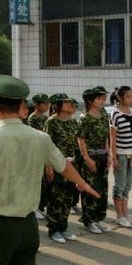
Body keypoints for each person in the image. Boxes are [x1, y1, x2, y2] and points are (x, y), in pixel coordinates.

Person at [0, 75, 99, 265]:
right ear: (21, 108)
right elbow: (64, 165)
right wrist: (83, 183)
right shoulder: (41, 138)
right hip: (28, 226)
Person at [44, 93, 79, 244]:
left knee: (68, 199)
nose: (71, 105)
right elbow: (46, 145)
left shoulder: (73, 123)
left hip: (70, 166)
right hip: (56, 165)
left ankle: (63, 227)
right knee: (55, 199)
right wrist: (48, 166)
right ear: (58, 105)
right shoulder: (51, 122)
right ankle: (54, 229)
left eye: (71, 103)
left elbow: (75, 145)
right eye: (67, 103)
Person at [77, 86, 112, 234]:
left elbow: (106, 135)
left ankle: (98, 218)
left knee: (102, 188)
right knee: (91, 188)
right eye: (100, 98)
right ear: (90, 101)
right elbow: (81, 139)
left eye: (104, 98)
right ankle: (88, 220)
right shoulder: (85, 118)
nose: (103, 100)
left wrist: (109, 153)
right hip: (90, 156)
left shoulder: (104, 113)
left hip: (103, 155)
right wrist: (87, 158)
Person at [109, 85, 132, 227]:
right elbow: (112, 138)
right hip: (121, 155)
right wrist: (114, 157)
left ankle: (125, 214)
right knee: (120, 185)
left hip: (131, 154)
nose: (131, 98)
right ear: (120, 97)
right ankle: (119, 215)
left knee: (128, 185)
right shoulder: (115, 114)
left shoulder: (131, 112)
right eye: (128, 96)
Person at [28, 93, 50, 220]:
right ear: (36, 104)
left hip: (44, 152)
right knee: (36, 181)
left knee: (43, 182)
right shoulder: (33, 118)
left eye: (47, 103)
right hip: (35, 153)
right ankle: (34, 207)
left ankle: (40, 206)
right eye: (44, 103)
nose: (47, 105)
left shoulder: (46, 118)